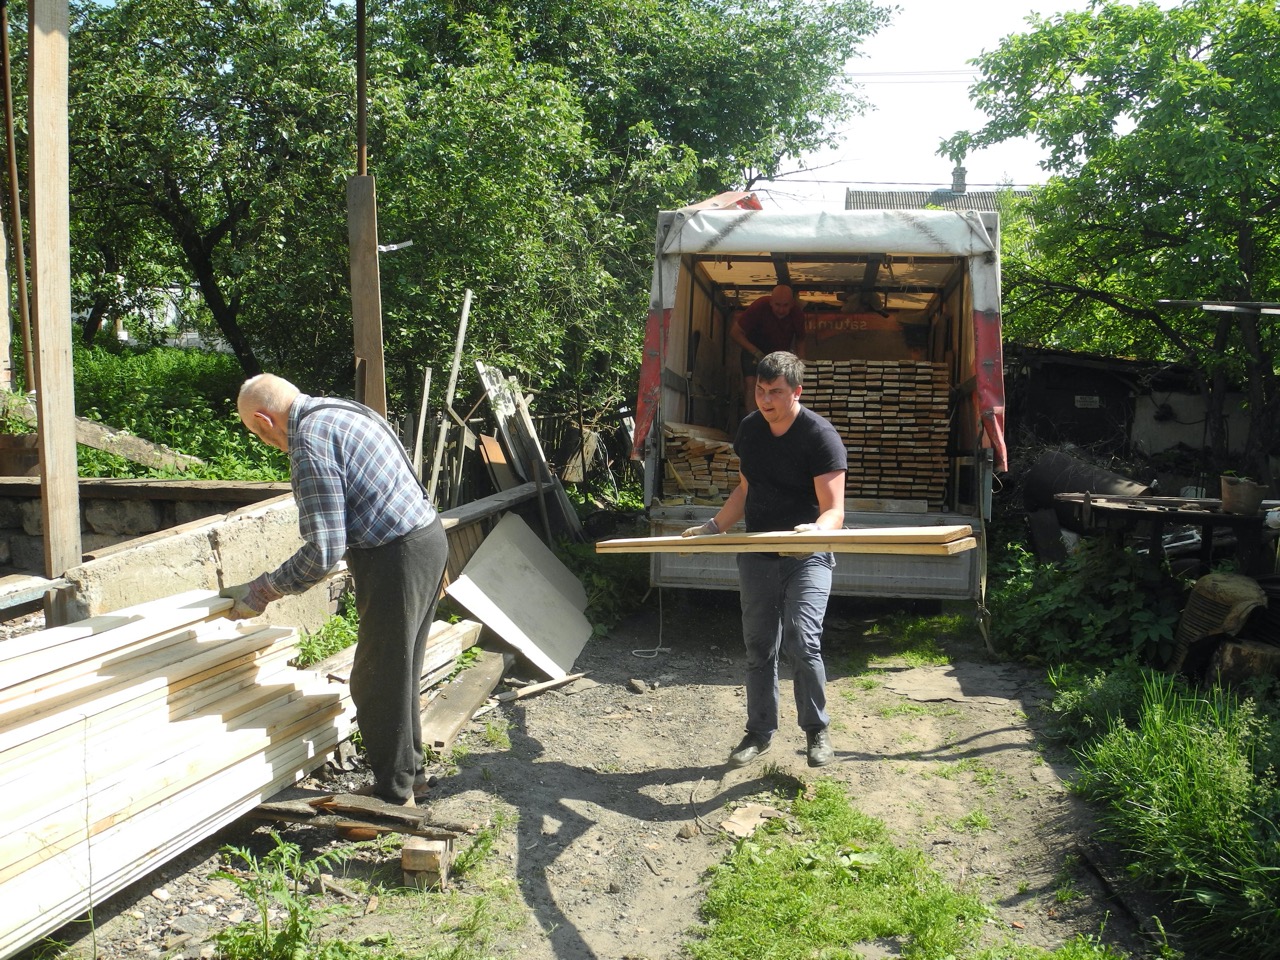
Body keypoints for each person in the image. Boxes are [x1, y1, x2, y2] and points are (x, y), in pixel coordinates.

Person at [220, 374, 448, 806]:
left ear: (264, 419)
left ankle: (393, 796)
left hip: (395, 557)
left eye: (257, 433)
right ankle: (410, 776)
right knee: (399, 672)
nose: (265, 442)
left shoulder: (308, 443)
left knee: (376, 682)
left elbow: (325, 550)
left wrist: (261, 592)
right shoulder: (341, 409)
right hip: (425, 538)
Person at [683, 351, 846, 768]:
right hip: (758, 552)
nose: (766, 400)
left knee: (802, 640)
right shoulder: (751, 430)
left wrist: (817, 531)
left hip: (807, 553)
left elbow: (834, 510)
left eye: (775, 392)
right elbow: (745, 489)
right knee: (758, 646)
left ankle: (816, 732)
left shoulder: (819, 436)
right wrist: (714, 527)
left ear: (797, 392)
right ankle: (758, 733)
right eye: (760, 390)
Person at [729, 284, 808, 412]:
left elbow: (801, 340)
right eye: (777, 305)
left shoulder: (797, 314)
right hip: (753, 351)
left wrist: (802, 365)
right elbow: (735, 333)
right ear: (770, 302)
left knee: (779, 386)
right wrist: (755, 352)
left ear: (792, 304)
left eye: (785, 305)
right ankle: (753, 422)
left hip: (779, 355)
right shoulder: (759, 306)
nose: (781, 310)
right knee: (752, 385)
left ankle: (776, 420)